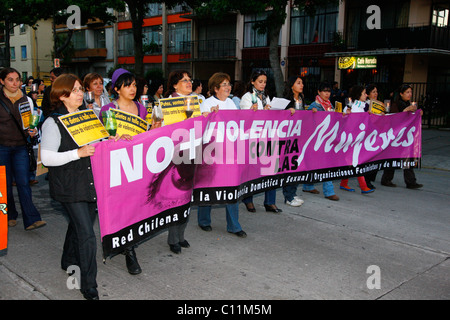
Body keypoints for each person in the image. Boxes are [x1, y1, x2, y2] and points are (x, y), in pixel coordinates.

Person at [40, 74, 98, 300]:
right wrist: (78, 153)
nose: (80, 93)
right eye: (74, 90)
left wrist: (112, 140)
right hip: (68, 185)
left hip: (89, 181)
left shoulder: (87, 117)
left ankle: (68, 259)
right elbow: (47, 158)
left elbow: (99, 144)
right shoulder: (52, 122)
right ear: (62, 96)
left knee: (78, 225)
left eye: (80, 89)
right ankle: (88, 285)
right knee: (86, 233)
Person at [99, 68, 148, 275]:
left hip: (138, 162)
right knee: (120, 206)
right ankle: (127, 248)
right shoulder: (107, 110)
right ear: (117, 88)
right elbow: (101, 139)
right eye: (128, 85)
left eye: (135, 85)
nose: (132, 89)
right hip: (117, 164)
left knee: (134, 206)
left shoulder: (141, 107)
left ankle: (129, 246)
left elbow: (146, 135)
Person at [197, 72, 247, 238]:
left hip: (230, 152)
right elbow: (201, 128)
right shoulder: (206, 103)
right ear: (216, 88)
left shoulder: (232, 104)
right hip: (212, 152)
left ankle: (234, 225)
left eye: (229, 84)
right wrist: (210, 115)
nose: (228, 87)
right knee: (210, 186)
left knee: (231, 187)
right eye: (224, 84)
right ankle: (204, 220)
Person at [0, 67, 46, 230]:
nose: (15, 83)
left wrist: (32, 131)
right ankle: (9, 214)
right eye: (10, 79)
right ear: (2, 81)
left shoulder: (26, 100)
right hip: (2, 148)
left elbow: (29, 124)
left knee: (23, 183)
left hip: (20, 147)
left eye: (17, 79)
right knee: (4, 186)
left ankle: (31, 219)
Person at [239, 70, 282, 213]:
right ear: (252, 81)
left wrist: (270, 110)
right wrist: (252, 111)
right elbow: (244, 118)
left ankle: (270, 202)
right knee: (252, 170)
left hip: (267, 135)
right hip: (252, 137)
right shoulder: (246, 97)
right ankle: (248, 200)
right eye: (260, 81)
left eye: (264, 81)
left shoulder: (266, 96)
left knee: (271, 169)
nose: (263, 84)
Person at [163, 70, 194, 253]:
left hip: (193, 152)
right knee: (176, 197)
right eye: (184, 80)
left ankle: (181, 235)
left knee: (187, 197)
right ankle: (173, 239)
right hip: (176, 154)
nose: (189, 83)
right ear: (175, 85)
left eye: (190, 80)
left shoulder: (196, 101)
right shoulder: (168, 104)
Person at [381, 84, 423, 189]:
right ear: (401, 93)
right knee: (393, 157)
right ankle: (386, 179)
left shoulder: (408, 104)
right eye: (407, 92)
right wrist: (406, 110)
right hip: (396, 135)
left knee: (407, 157)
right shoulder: (396, 104)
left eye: (410, 92)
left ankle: (411, 181)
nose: (410, 94)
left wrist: (418, 113)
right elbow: (394, 118)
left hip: (405, 135)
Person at [304, 82, 340, 201]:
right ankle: (329, 191)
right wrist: (311, 113)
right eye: (324, 91)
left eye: (329, 91)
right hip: (316, 140)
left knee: (316, 164)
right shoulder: (315, 105)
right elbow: (306, 121)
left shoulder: (330, 105)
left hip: (327, 139)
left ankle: (308, 185)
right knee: (325, 165)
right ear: (319, 92)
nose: (327, 93)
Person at [339, 85, 375, 194]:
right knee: (355, 161)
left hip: (358, 138)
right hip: (353, 139)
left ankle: (344, 183)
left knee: (352, 162)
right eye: (364, 93)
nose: (366, 95)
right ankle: (363, 186)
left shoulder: (362, 106)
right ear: (358, 94)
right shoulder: (353, 107)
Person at [281, 75, 305, 207]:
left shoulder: (301, 99)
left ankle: (293, 192)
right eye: (298, 83)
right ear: (292, 85)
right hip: (288, 139)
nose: (301, 85)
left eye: (302, 83)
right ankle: (288, 196)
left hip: (299, 137)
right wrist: (287, 112)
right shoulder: (286, 101)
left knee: (297, 166)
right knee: (289, 167)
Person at [363, 84, 380, 188]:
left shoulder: (379, 105)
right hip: (367, 136)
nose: (375, 94)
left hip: (377, 134)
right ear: (368, 94)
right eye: (373, 92)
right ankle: (366, 181)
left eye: (376, 92)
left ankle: (370, 179)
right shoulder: (365, 105)